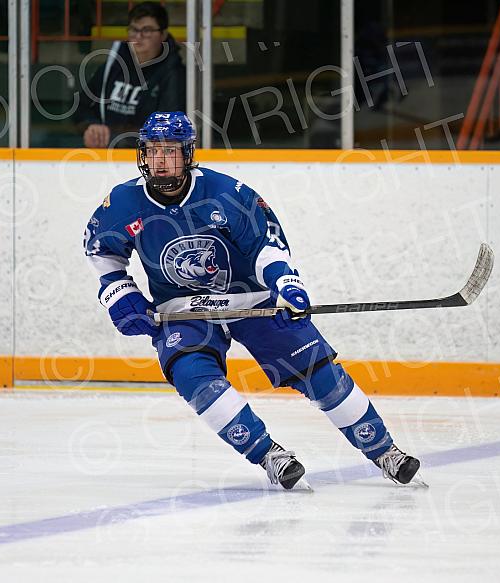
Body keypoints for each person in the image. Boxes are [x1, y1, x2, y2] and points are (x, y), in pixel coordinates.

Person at [83, 111, 422, 490]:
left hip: (252, 300)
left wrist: (285, 281)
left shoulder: (227, 193)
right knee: (194, 378)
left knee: (318, 371)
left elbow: (265, 244)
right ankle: (270, 455)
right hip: (184, 312)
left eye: (170, 151)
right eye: (152, 151)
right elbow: (103, 251)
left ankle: (385, 451)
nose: (160, 160)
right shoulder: (124, 203)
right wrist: (120, 294)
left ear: (188, 153)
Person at [75, 2, 186, 149]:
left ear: (163, 34)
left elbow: (167, 129)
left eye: (146, 30)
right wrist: (91, 126)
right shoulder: (116, 62)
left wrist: (111, 134)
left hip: (147, 158)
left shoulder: (173, 73)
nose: (138, 36)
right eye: (134, 29)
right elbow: (82, 106)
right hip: (102, 154)